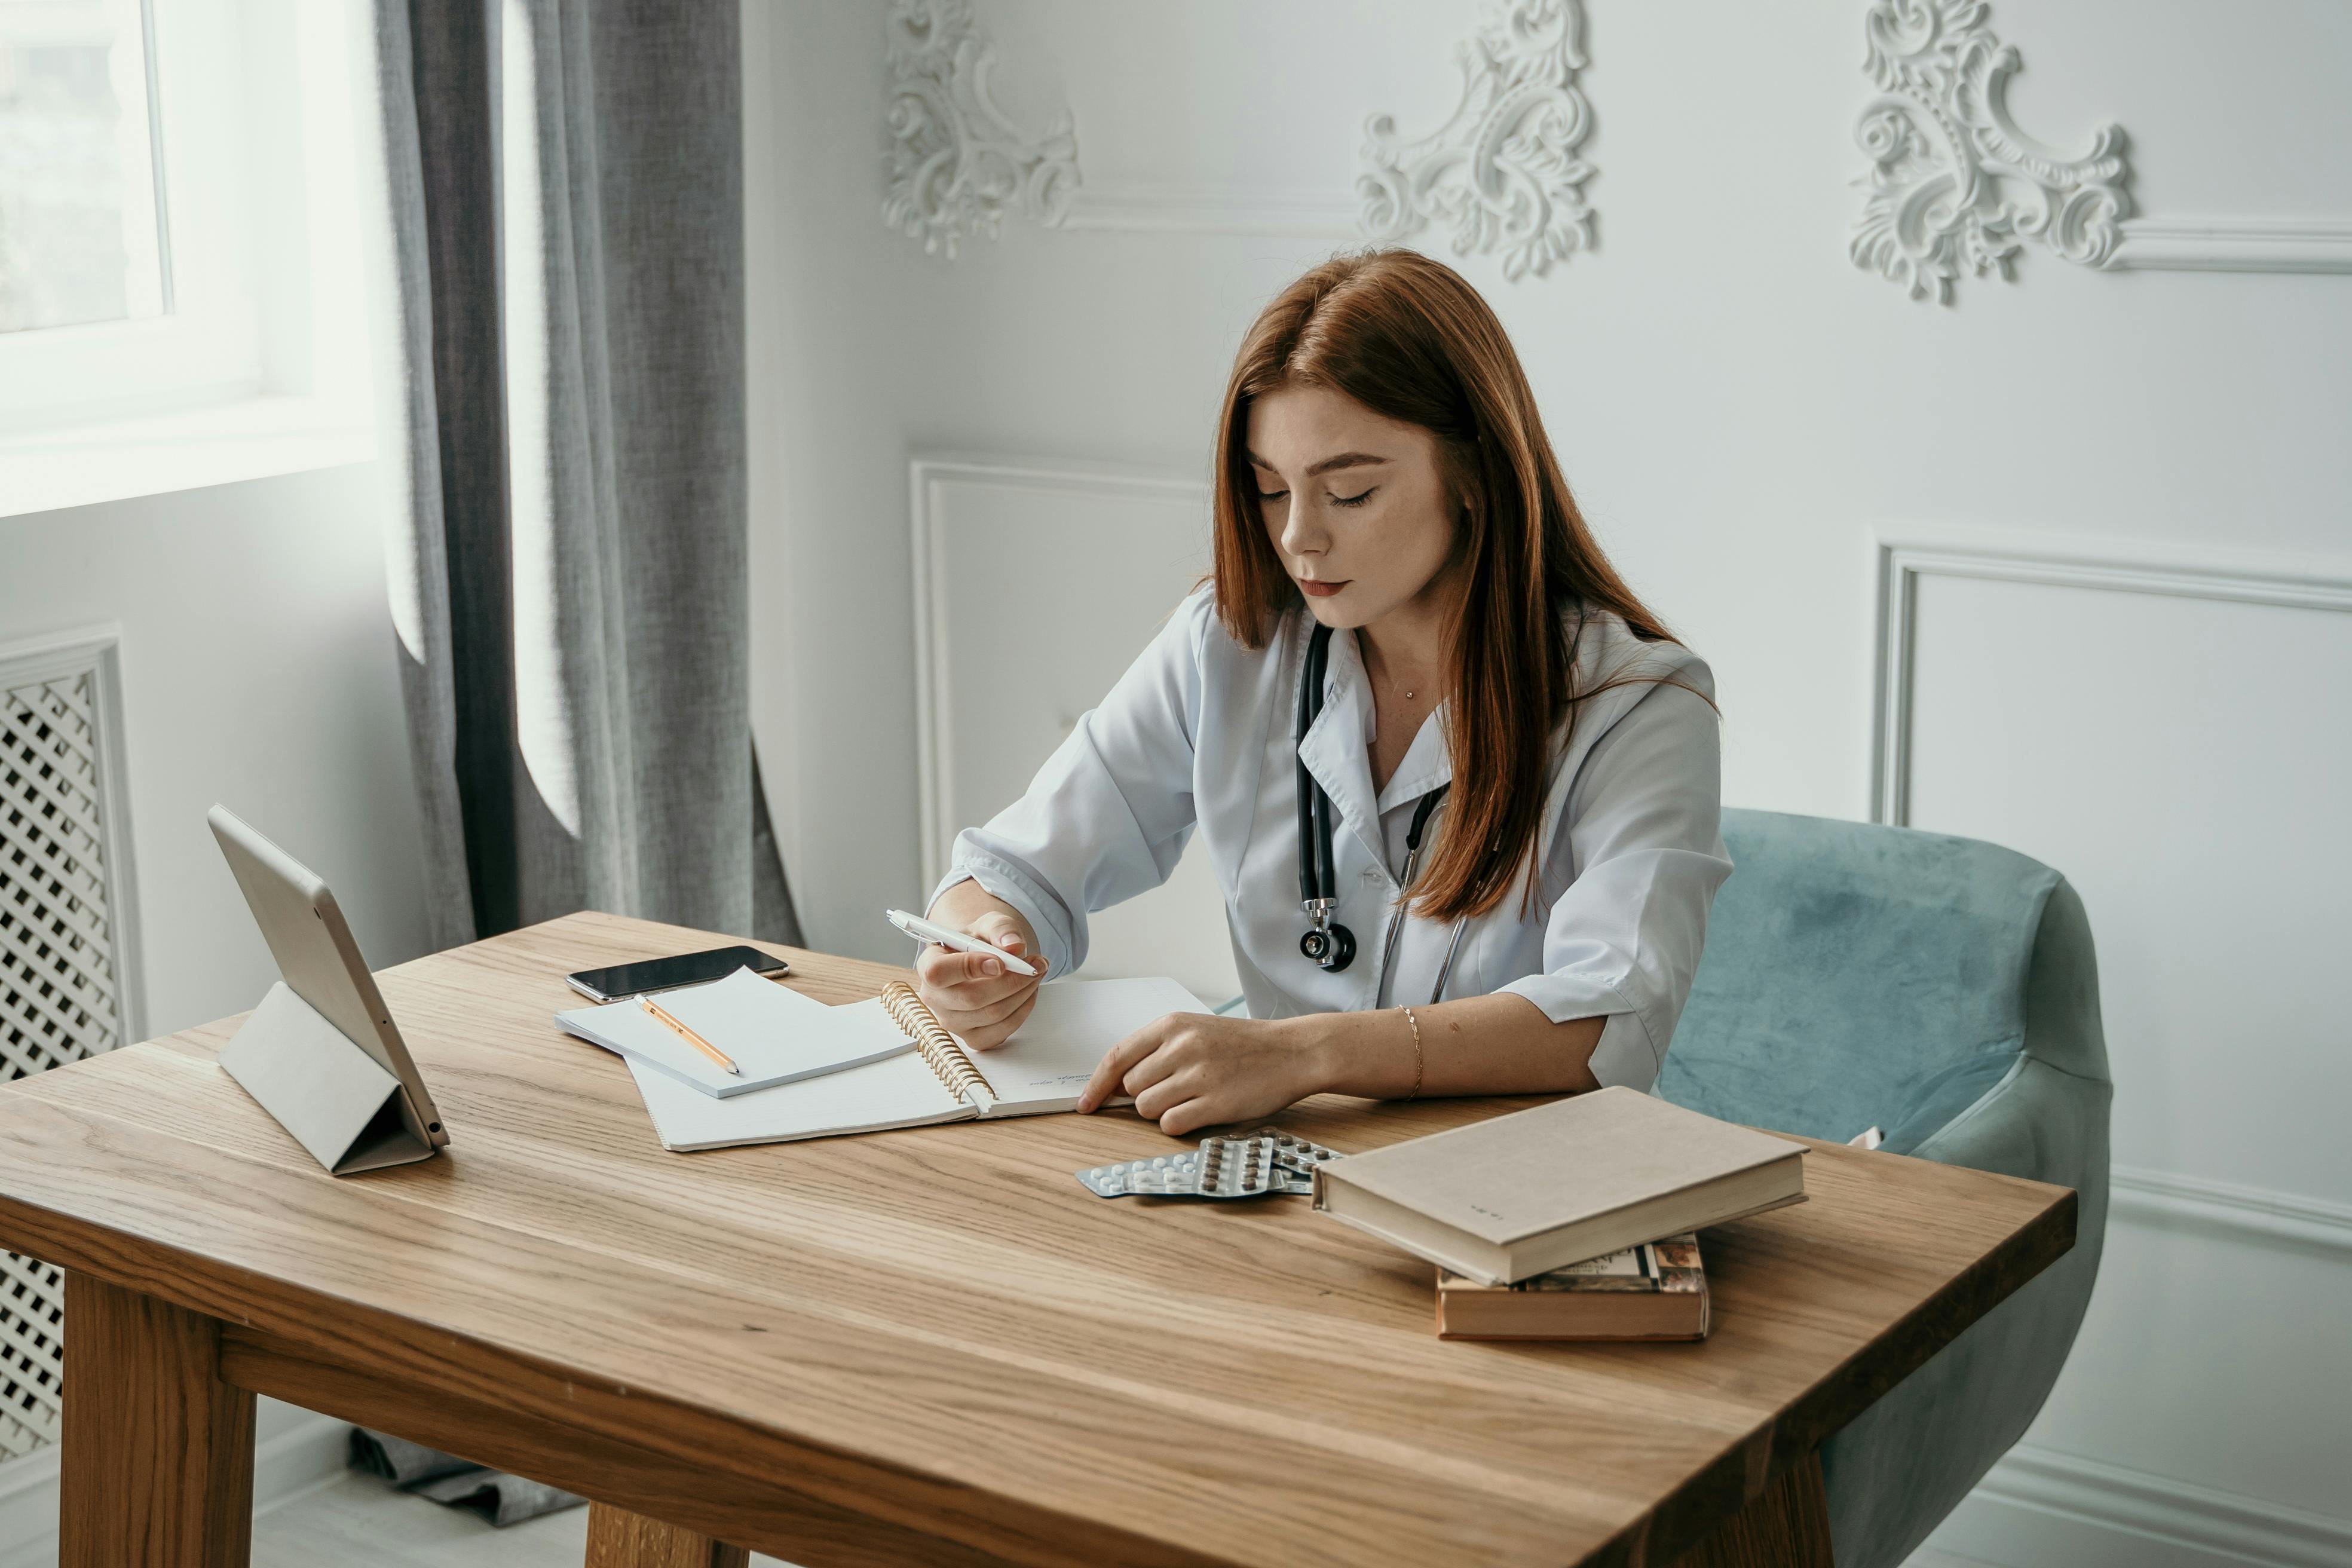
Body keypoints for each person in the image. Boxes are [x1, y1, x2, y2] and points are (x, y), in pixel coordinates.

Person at [914, 249, 1730, 1137]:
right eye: (1270, 490)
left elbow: (1611, 1018)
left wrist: (1307, 1054)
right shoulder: (1228, 647)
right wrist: (983, 947)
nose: (1299, 537)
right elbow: (1011, 869)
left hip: (1507, 1191)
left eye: (1350, 491)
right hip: (1276, 1175)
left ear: (1472, 473)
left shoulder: (1640, 706)